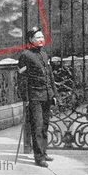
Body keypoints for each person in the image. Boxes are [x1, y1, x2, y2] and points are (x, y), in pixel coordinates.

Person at [17, 27, 57, 167]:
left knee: (45, 126)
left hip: (46, 95)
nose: (41, 39)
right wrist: (25, 98)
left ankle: (44, 152)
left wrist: (53, 94)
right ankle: (39, 157)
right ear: (30, 40)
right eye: (37, 37)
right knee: (38, 126)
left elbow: (50, 76)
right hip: (34, 97)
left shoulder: (44, 54)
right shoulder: (25, 56)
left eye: (42, 37)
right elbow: (22, 79)